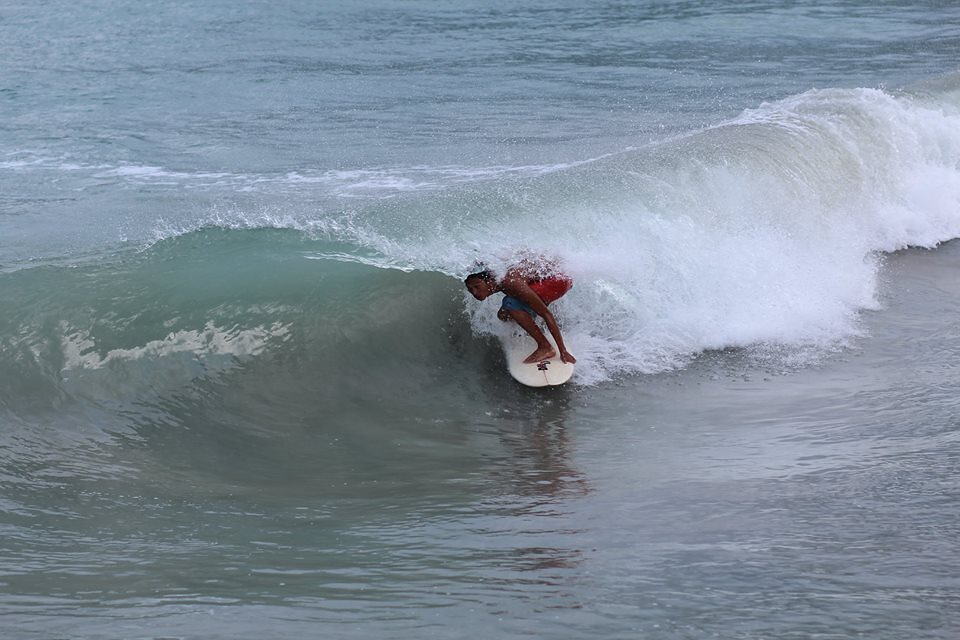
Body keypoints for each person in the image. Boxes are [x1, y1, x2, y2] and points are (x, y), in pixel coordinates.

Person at [464, 259, 576, 365]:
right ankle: (534, 326)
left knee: (510, 303)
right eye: (470, 290)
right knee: (503, 315)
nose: (474, 292)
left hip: (559, 281)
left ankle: (545, 347)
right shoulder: (500, 278)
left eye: (477, 287)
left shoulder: (510, 283)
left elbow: (546, 314)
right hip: (553, 277)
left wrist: (563, 351)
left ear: (488, 281)